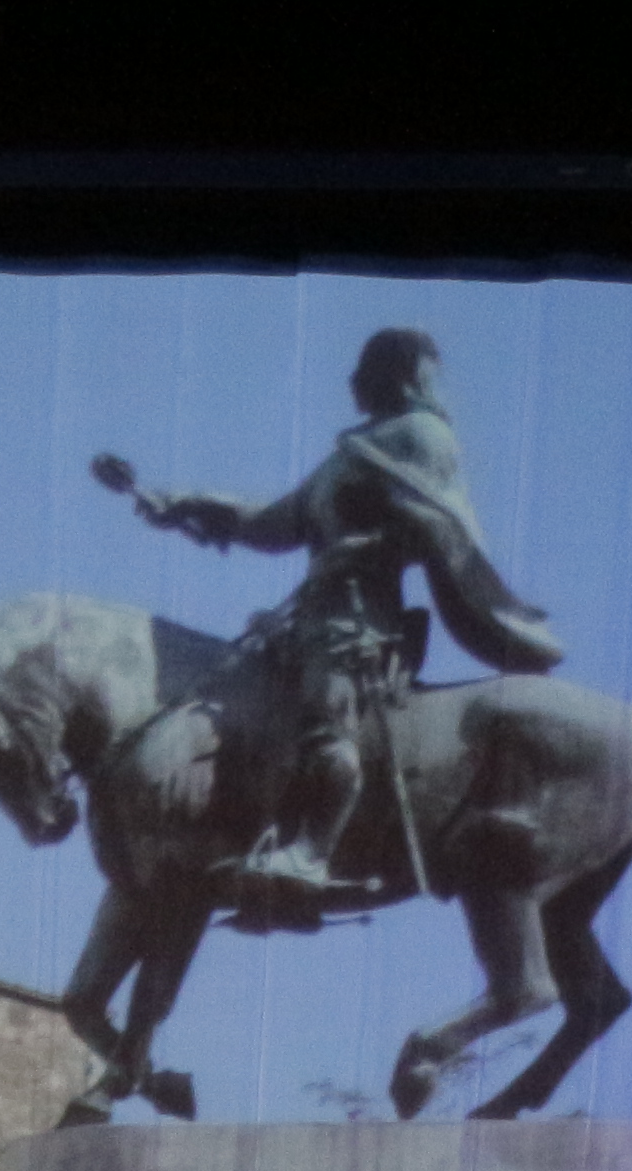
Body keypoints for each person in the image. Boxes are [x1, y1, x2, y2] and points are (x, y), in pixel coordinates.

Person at [112, 323, 564, 924]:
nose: (353, 381)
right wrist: (189, 503)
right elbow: (277, 522)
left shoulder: (423, 436)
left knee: (327, 718)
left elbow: (435, 528)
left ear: (395, 375)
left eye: (367, 370)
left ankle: (311, 853)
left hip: (360, 621)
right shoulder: (350, 453)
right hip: (305, 616)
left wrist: (368, 547)